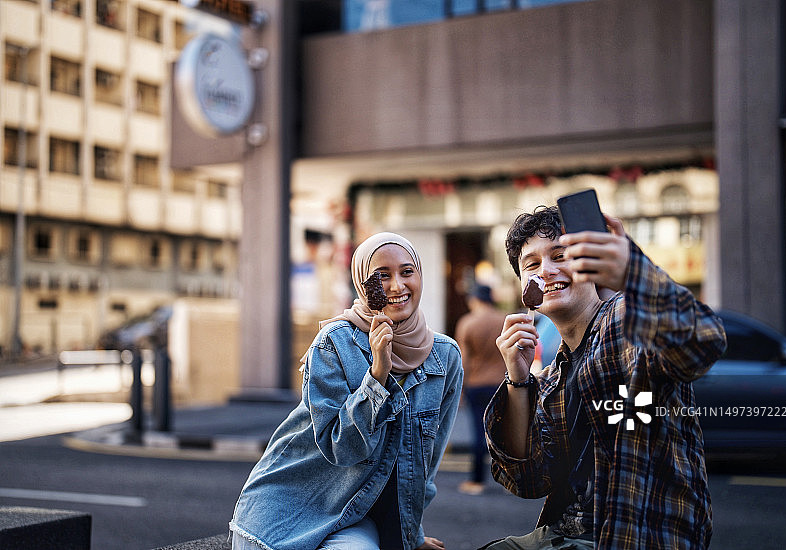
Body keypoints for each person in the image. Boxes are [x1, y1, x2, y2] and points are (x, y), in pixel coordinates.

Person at [481, 205, 726, 549]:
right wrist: (518, 380)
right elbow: (528, 481)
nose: (547, 271)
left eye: (560, 255)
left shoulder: (623, 319)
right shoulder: (553, 378)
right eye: (532, 265)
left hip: (638, 538)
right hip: (562, 537)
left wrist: (632, 271)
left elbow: (704, 339)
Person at [230, 232, 463, 550]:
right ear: (362, 283)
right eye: (382, 276)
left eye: (407, 272)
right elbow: (342, 449)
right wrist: (377, 376)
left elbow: (425, 464)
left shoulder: (445, 356)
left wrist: (413, 536)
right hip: (287, 515)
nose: (397, 286)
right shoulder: (335, 342)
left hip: (355, 517)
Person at [454, 284, 507, 495]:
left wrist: (460, 389)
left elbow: (463, 360)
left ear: (474, 300)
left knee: (479, 433)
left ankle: (477, 481)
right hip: (502, 383)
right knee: (503, 434)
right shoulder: (504, 320)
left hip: (476, 384)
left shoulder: (467, 323)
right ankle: (510, 482)